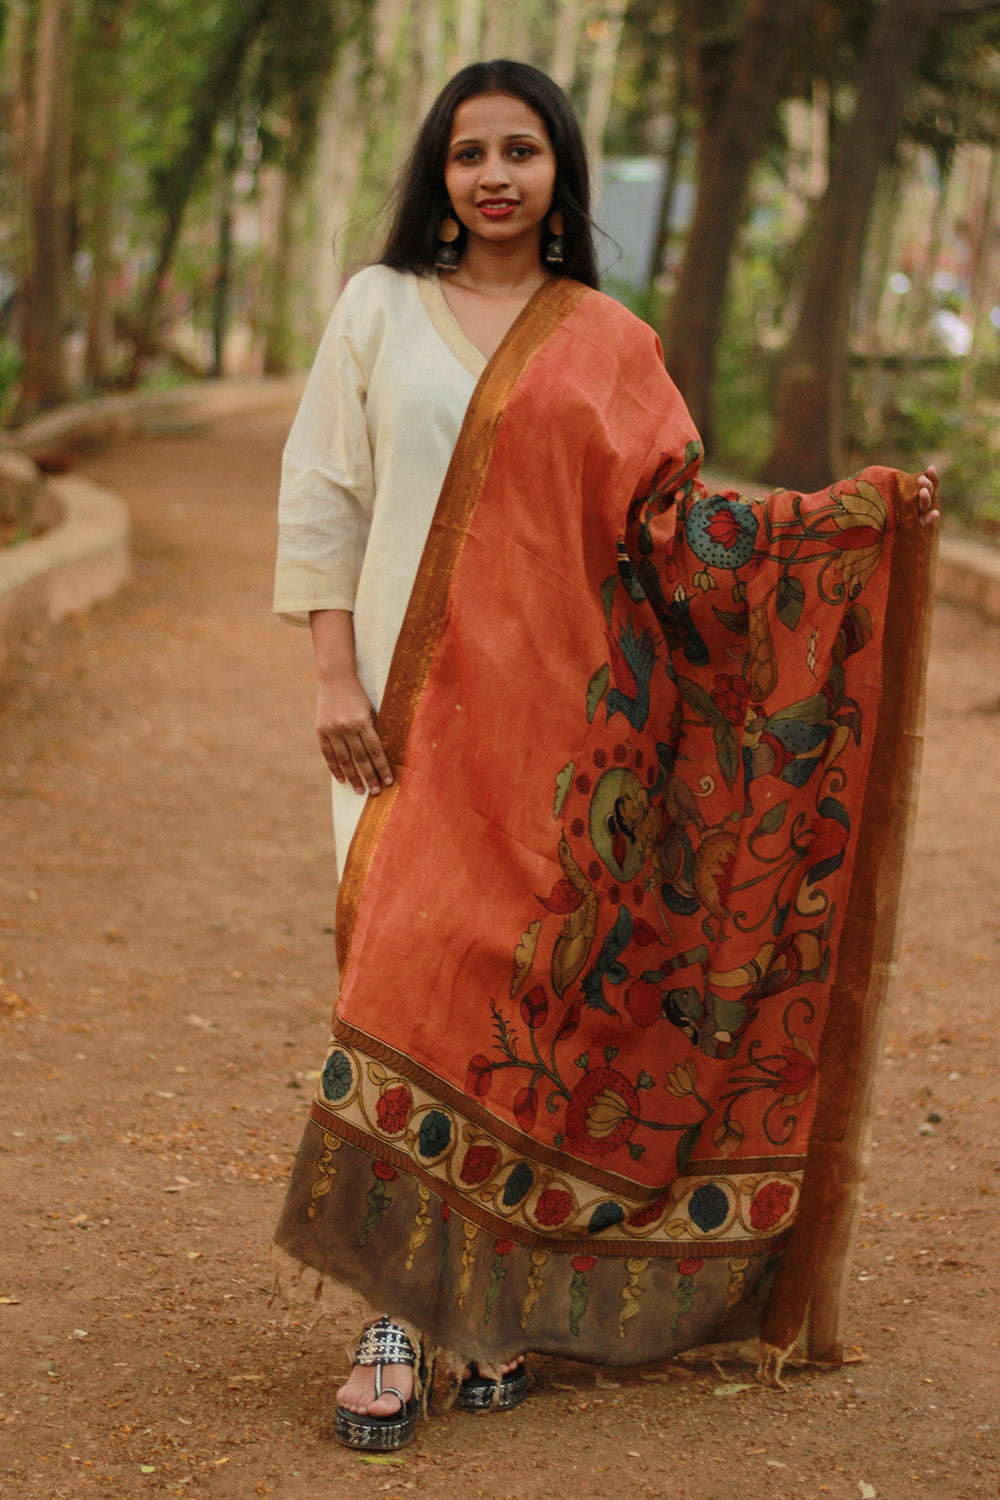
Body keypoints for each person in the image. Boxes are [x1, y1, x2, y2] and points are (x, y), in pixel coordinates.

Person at [272, 59, 940, 1452]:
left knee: (517, 1016)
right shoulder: (377, 309)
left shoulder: (611, 344)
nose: (495, 175)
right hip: (394, 724)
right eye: (470, 153)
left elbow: (682, 536)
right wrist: (331, 670)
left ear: (561, 175)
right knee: (399, 983)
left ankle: (478, 1311)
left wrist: (843, 528)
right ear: (439, 175)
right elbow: (324, 493)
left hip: (564, 748)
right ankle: (391, 1318)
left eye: (522, 150)